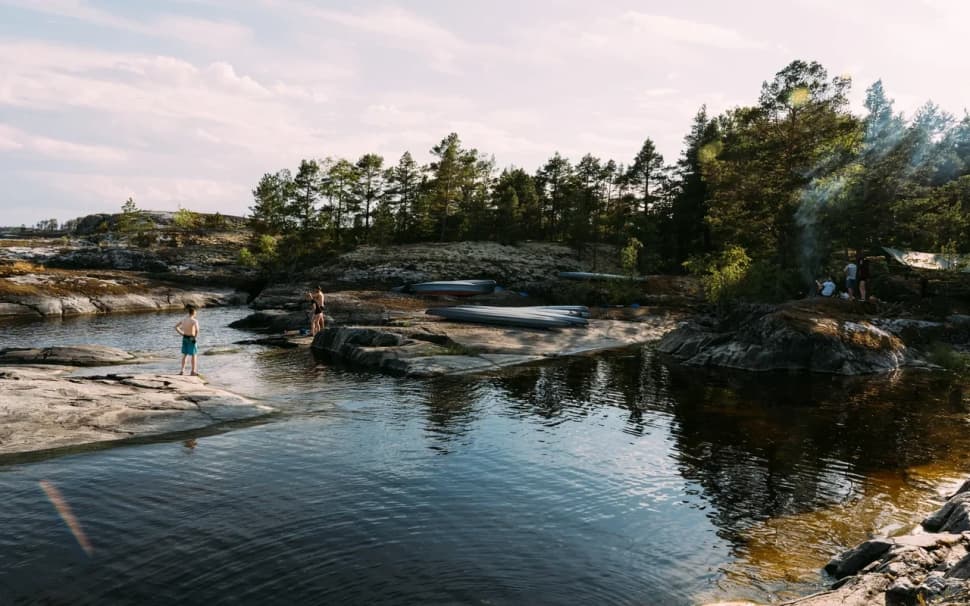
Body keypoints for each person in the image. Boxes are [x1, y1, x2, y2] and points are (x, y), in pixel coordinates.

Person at [175, 305, 200, 375]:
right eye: (195, 313)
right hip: (191, 338)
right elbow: (197, 330)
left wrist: (181, 333)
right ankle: (193, 371)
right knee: (194, 354)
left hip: (185, 337)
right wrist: (195, 338)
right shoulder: (194, 321)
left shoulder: (183, 319)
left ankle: (182, 370)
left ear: (189, 313)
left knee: (185, 354)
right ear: (194, 313)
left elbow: (176, 327)